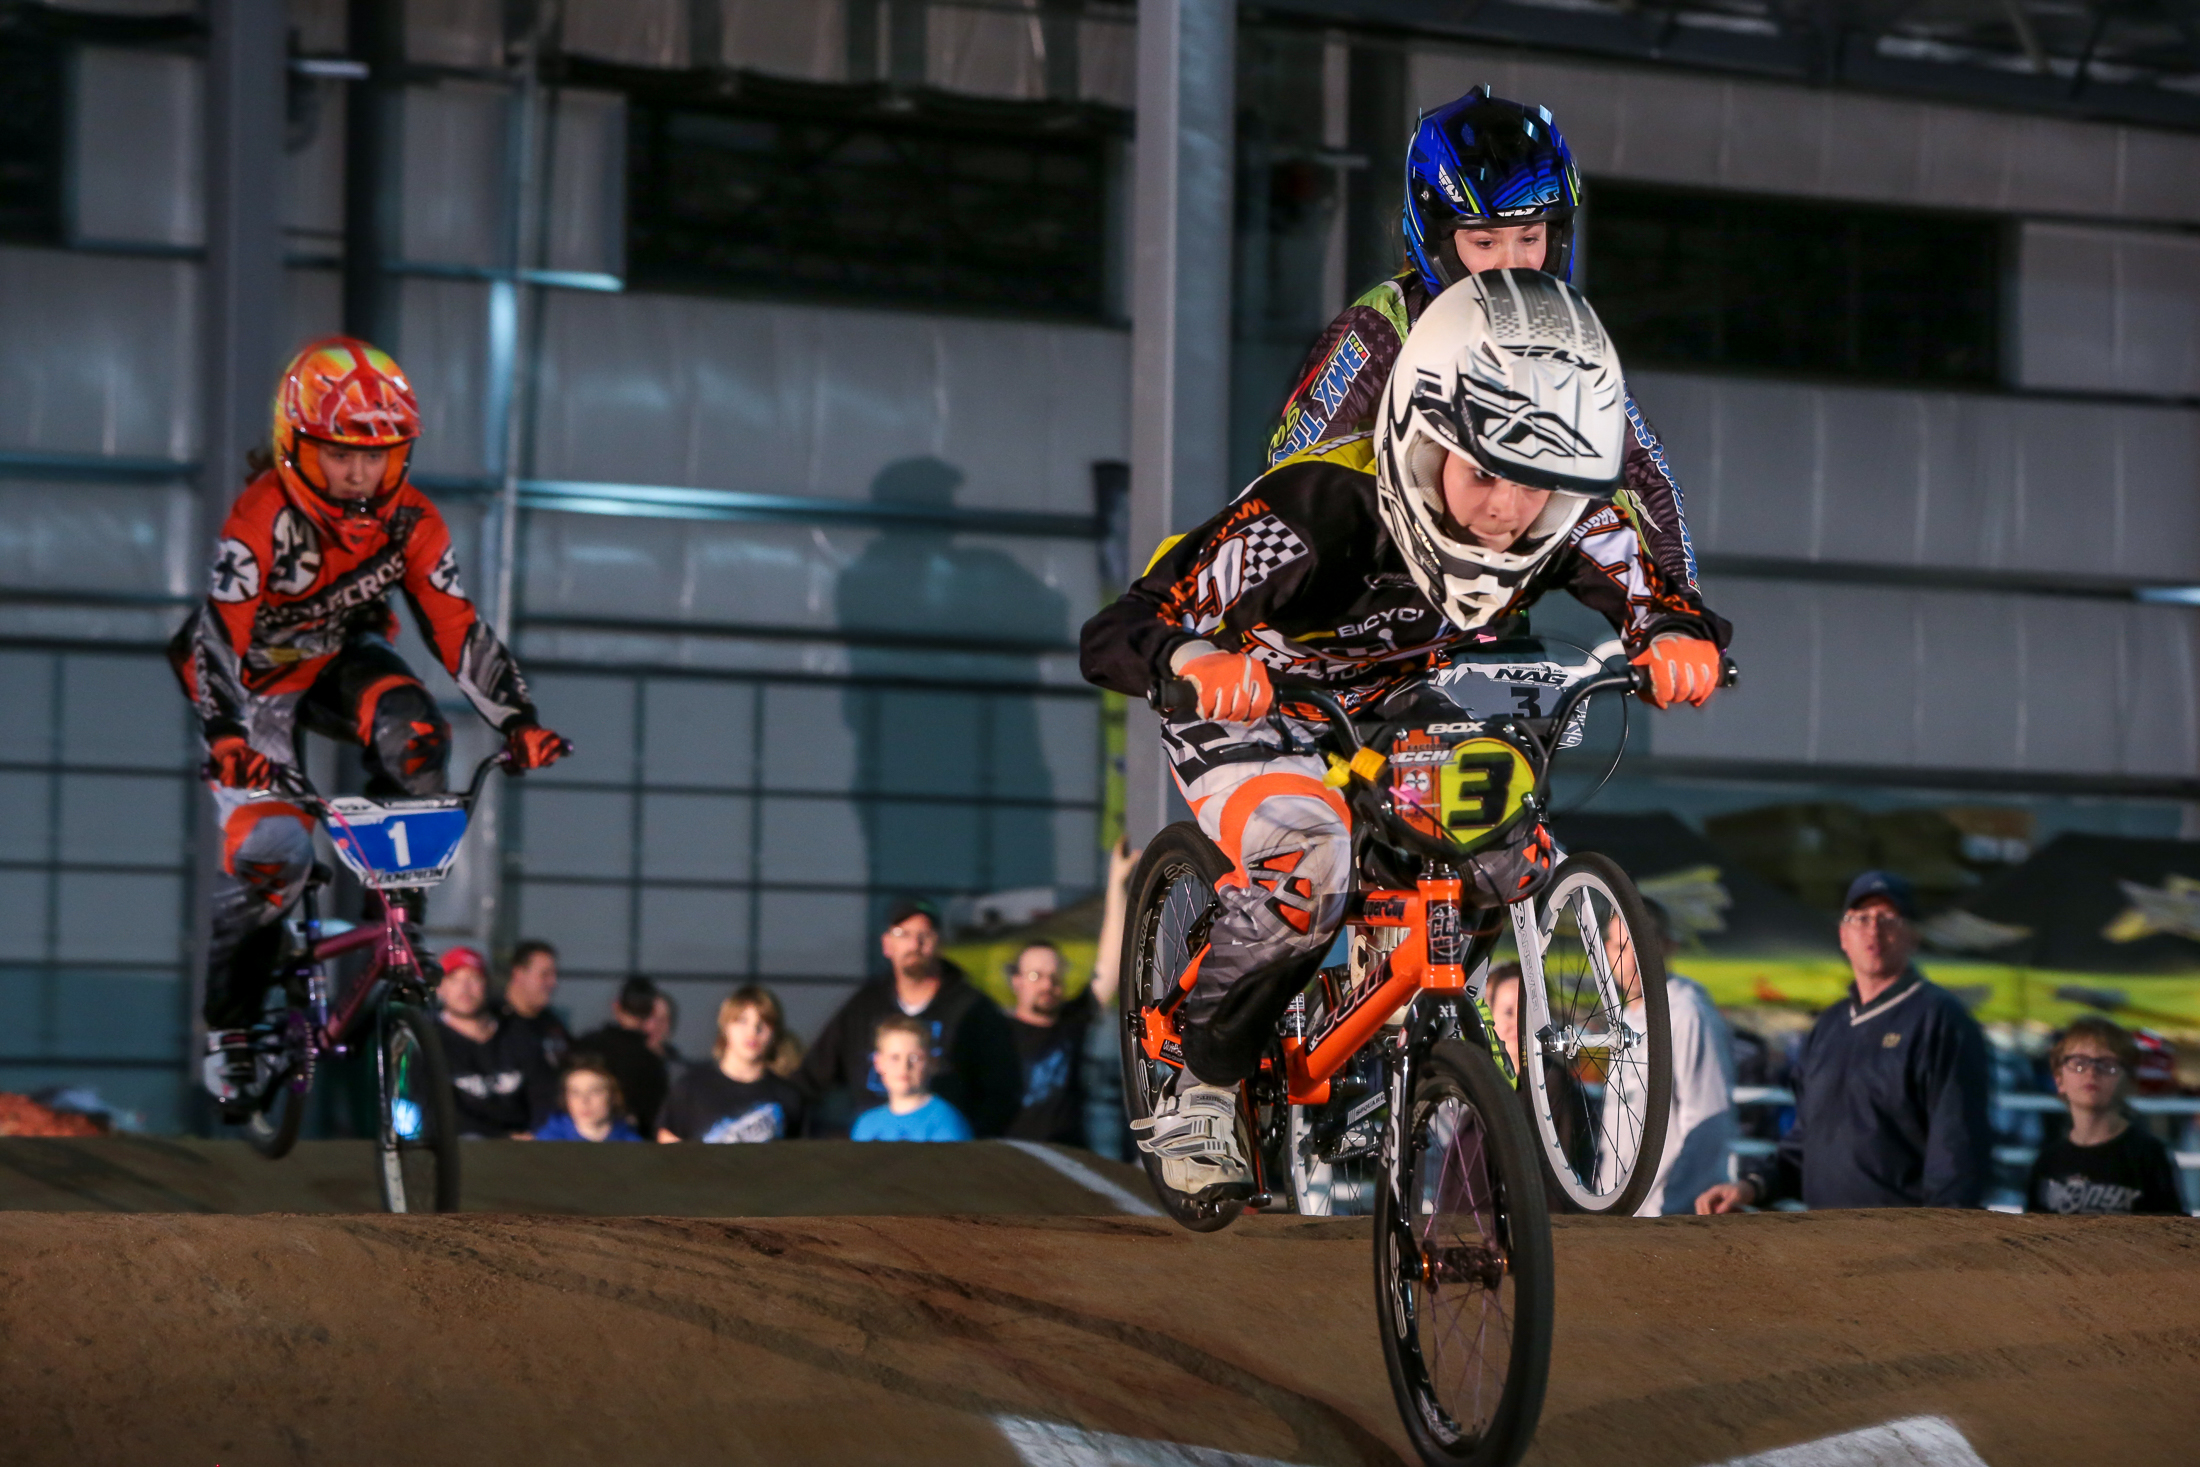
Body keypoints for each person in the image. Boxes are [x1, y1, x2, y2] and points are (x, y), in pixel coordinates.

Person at [1081, 270, 1728, 1195]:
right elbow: (1124, 623)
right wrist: (1189, 657)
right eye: (1484, 471)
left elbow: (1650, 586)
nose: (1507, 510)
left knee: (1505, 844)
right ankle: (1204, 1076)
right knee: (1310, 859)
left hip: (1394, 710)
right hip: (1258, 705)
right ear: (1423, 441)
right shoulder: (1315, 507)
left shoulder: (1557, 520)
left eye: (1538, 484)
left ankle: (1404, 1018)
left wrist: (1674, 633)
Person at [171, 337, 569, 1112]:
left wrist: (518, 719)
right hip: (250, 682)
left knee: (419, 738)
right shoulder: (261, 515)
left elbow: (454, 624)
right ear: (294, 445)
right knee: (274, 854)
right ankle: (229, 1027)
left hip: (339, 658)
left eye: (378, 457)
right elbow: (218, 635)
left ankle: (396, 916)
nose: (360, 474)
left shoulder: (411, 517)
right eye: (340, 455)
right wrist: (225, 735)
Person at [1265, 88, 1706, 615]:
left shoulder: (1562, 335)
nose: (1511, 263)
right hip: (1363, 612)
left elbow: (1645, 478)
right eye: (1485, 242)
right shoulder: (1382, 326)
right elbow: (1291, 479)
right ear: (1437, 239)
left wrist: (1681, 613)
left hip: (1497, 606)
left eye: (1529, 237)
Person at [1697, 872, 1994, 1214]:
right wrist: (1751, 1187)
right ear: (1843, 935)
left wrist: (1944, 1232)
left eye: (1888, 918)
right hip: (1826, 1233)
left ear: (1913, 936)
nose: (1873, 930)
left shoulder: (1941, 1021)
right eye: (1860, 918)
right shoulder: (1829, 1026)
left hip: (1903, 1234)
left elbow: (1958, 1150)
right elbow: (1805, 1144)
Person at [797, 898, 1021, 1137]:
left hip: (944, 1148)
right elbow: (811, 1077)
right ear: (887, 944)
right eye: (903, 934)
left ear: (939, 943)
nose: (915, 944)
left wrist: (972, 1145)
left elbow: (1003, 1092)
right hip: (875, 1145)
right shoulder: (863, 1007)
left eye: (924, 935)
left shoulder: (973, 1009)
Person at [1597, 902, 1738, 1216]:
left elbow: (1708, 1122)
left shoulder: (1687, 1012)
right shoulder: (1626, 1017)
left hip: (1666, 1216)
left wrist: (1672, 1212)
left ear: (1668, 945)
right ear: (1606, 950)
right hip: (1623, 1216)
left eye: (1641, 945)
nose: (1629, 960)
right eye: (1620, 947)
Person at [2026, 1016, 2184, 1215]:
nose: (2091, 1072)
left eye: (2107, 1064)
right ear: (2059, 1080)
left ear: (2129, 1080)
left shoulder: (2149, 1156)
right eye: (2078, 1063)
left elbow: (2172, 1227)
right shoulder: (2047, 1161)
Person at [1485, 962, 1591, 1185]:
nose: (1517, 1022)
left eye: (1526, 1013)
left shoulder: (1552, 1084)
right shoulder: (1482, 1080)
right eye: (1508, 1012)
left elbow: (1561, 1175)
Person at [657, 986, 808, 1143]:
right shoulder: (690, 1088)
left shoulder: (789, 1098)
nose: (753, 1031)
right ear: (725, 1026)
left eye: (764, 1022)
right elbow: (668, 1144)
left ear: (775, 1032)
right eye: (742, 1021)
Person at [435, 946, 557, 1138]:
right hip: (463, 1146)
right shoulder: (427, 1040)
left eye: (474, 978)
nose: (464, 989)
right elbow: (432, 1111)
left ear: (487, 984)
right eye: (454, 979)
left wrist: (538, 1133)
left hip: (525, 1144)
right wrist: (501, 1138)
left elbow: (543, 1093)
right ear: (440, 987)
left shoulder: (517, 1032)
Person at [1004, 941, 1095, 1147]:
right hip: (1010, 1150)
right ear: (1017, 981)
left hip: (1068, 1151)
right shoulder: (997, 1033)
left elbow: (1108, 972)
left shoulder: (1073, 1022)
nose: (1047, 985)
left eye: (1054, 976)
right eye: (1036, 976)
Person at [572, 977, 672, 1136]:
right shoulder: (651, 1063)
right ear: (650, 1012)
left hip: (578, 1138)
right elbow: (656, 1118)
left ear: (616, 1005)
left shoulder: (586, 1045)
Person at [851, 1016, 974, 1142]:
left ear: (932, 1063)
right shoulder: (865, 1125)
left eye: (915, 1058)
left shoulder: (946, 1122)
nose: (904, 1066)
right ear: (877, 1062)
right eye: (894, 1057)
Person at [533, 1056, 645, 1143]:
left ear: (613, 1096)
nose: (584, 1101)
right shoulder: (546, 1141)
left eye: (595, 1091)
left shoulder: (632, 1144)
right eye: (575, 1093)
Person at [500, 939, 570, 1072]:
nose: (553, 983)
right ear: (518, 974)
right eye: (545, 974)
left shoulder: (552, 1024)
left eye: (554, 975)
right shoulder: (494, 1023)